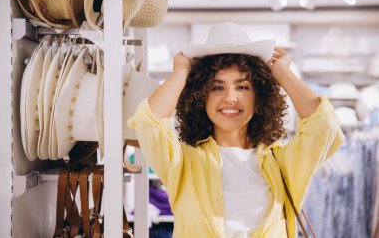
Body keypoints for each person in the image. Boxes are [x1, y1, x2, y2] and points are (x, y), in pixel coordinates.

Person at [128, 22, 344, 238]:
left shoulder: (282, 163)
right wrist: (181, 72)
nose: (231, 97)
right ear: (201, 96)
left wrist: (282, 73)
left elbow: (325, 126)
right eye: (217, 87)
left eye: (242, 87)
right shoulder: (183, 162)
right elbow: (149, 122)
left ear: (259, 96)